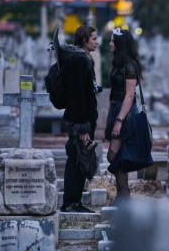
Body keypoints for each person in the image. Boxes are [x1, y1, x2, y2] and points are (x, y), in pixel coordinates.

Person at [60, 25, 99, 213]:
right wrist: (83, 127)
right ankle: (70, 203)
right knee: (76, 159)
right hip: (79, 121)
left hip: (83, 119)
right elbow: (77, 95)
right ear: (84, 40)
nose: (97, 42)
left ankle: (74, 201)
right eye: (93, 38)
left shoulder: (83, 60)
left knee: (80, 158)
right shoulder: (78, 61)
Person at [104, 27, 143, 203]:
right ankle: (122, 195)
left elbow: (129, 95)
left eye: (113, 40)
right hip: (116, 108)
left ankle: (124, 196)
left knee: (114, 154)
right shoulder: (119, 63)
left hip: (125, 112)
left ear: (120, 43)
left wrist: (119, 120)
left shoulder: (130, 65)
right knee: (116, 155)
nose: (110, 43)